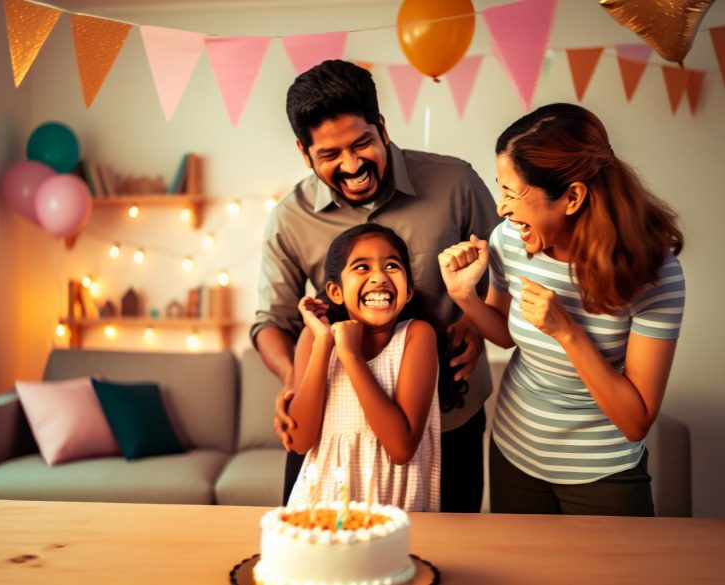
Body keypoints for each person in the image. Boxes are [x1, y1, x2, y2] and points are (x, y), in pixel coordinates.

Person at [251, 59, 499, 511]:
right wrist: (295, 380)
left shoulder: (455, 183)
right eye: (329, 155)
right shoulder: (289, 219)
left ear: (382, 127)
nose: (351, 165)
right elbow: (272, 321)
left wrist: (477, 325)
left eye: (361, 143)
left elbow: (509, 275)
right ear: (304, 153)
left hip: (450, 419)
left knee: (447, 557)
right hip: (332, 431)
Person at [438, 103, 685, 516]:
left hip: (603, 472)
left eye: (512, 193)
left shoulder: (654, 274)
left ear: (572, 197)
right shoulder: (510, 241)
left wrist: (567, 331)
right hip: (514, 452)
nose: (501, 208)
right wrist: (465, 297)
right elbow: (502, 332)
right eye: (502, 190)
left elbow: (635, 420)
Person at [288, 224, 440, 511]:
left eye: (392, 266)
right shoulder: (314, 338)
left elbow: (401, 448)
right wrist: (323, 342)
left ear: (408, 290)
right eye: (361, 267)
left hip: (396, 512)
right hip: (321, 511)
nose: (379, 278)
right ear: (335, 291)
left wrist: (351, 356)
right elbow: (299, 441)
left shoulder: (417, 336)